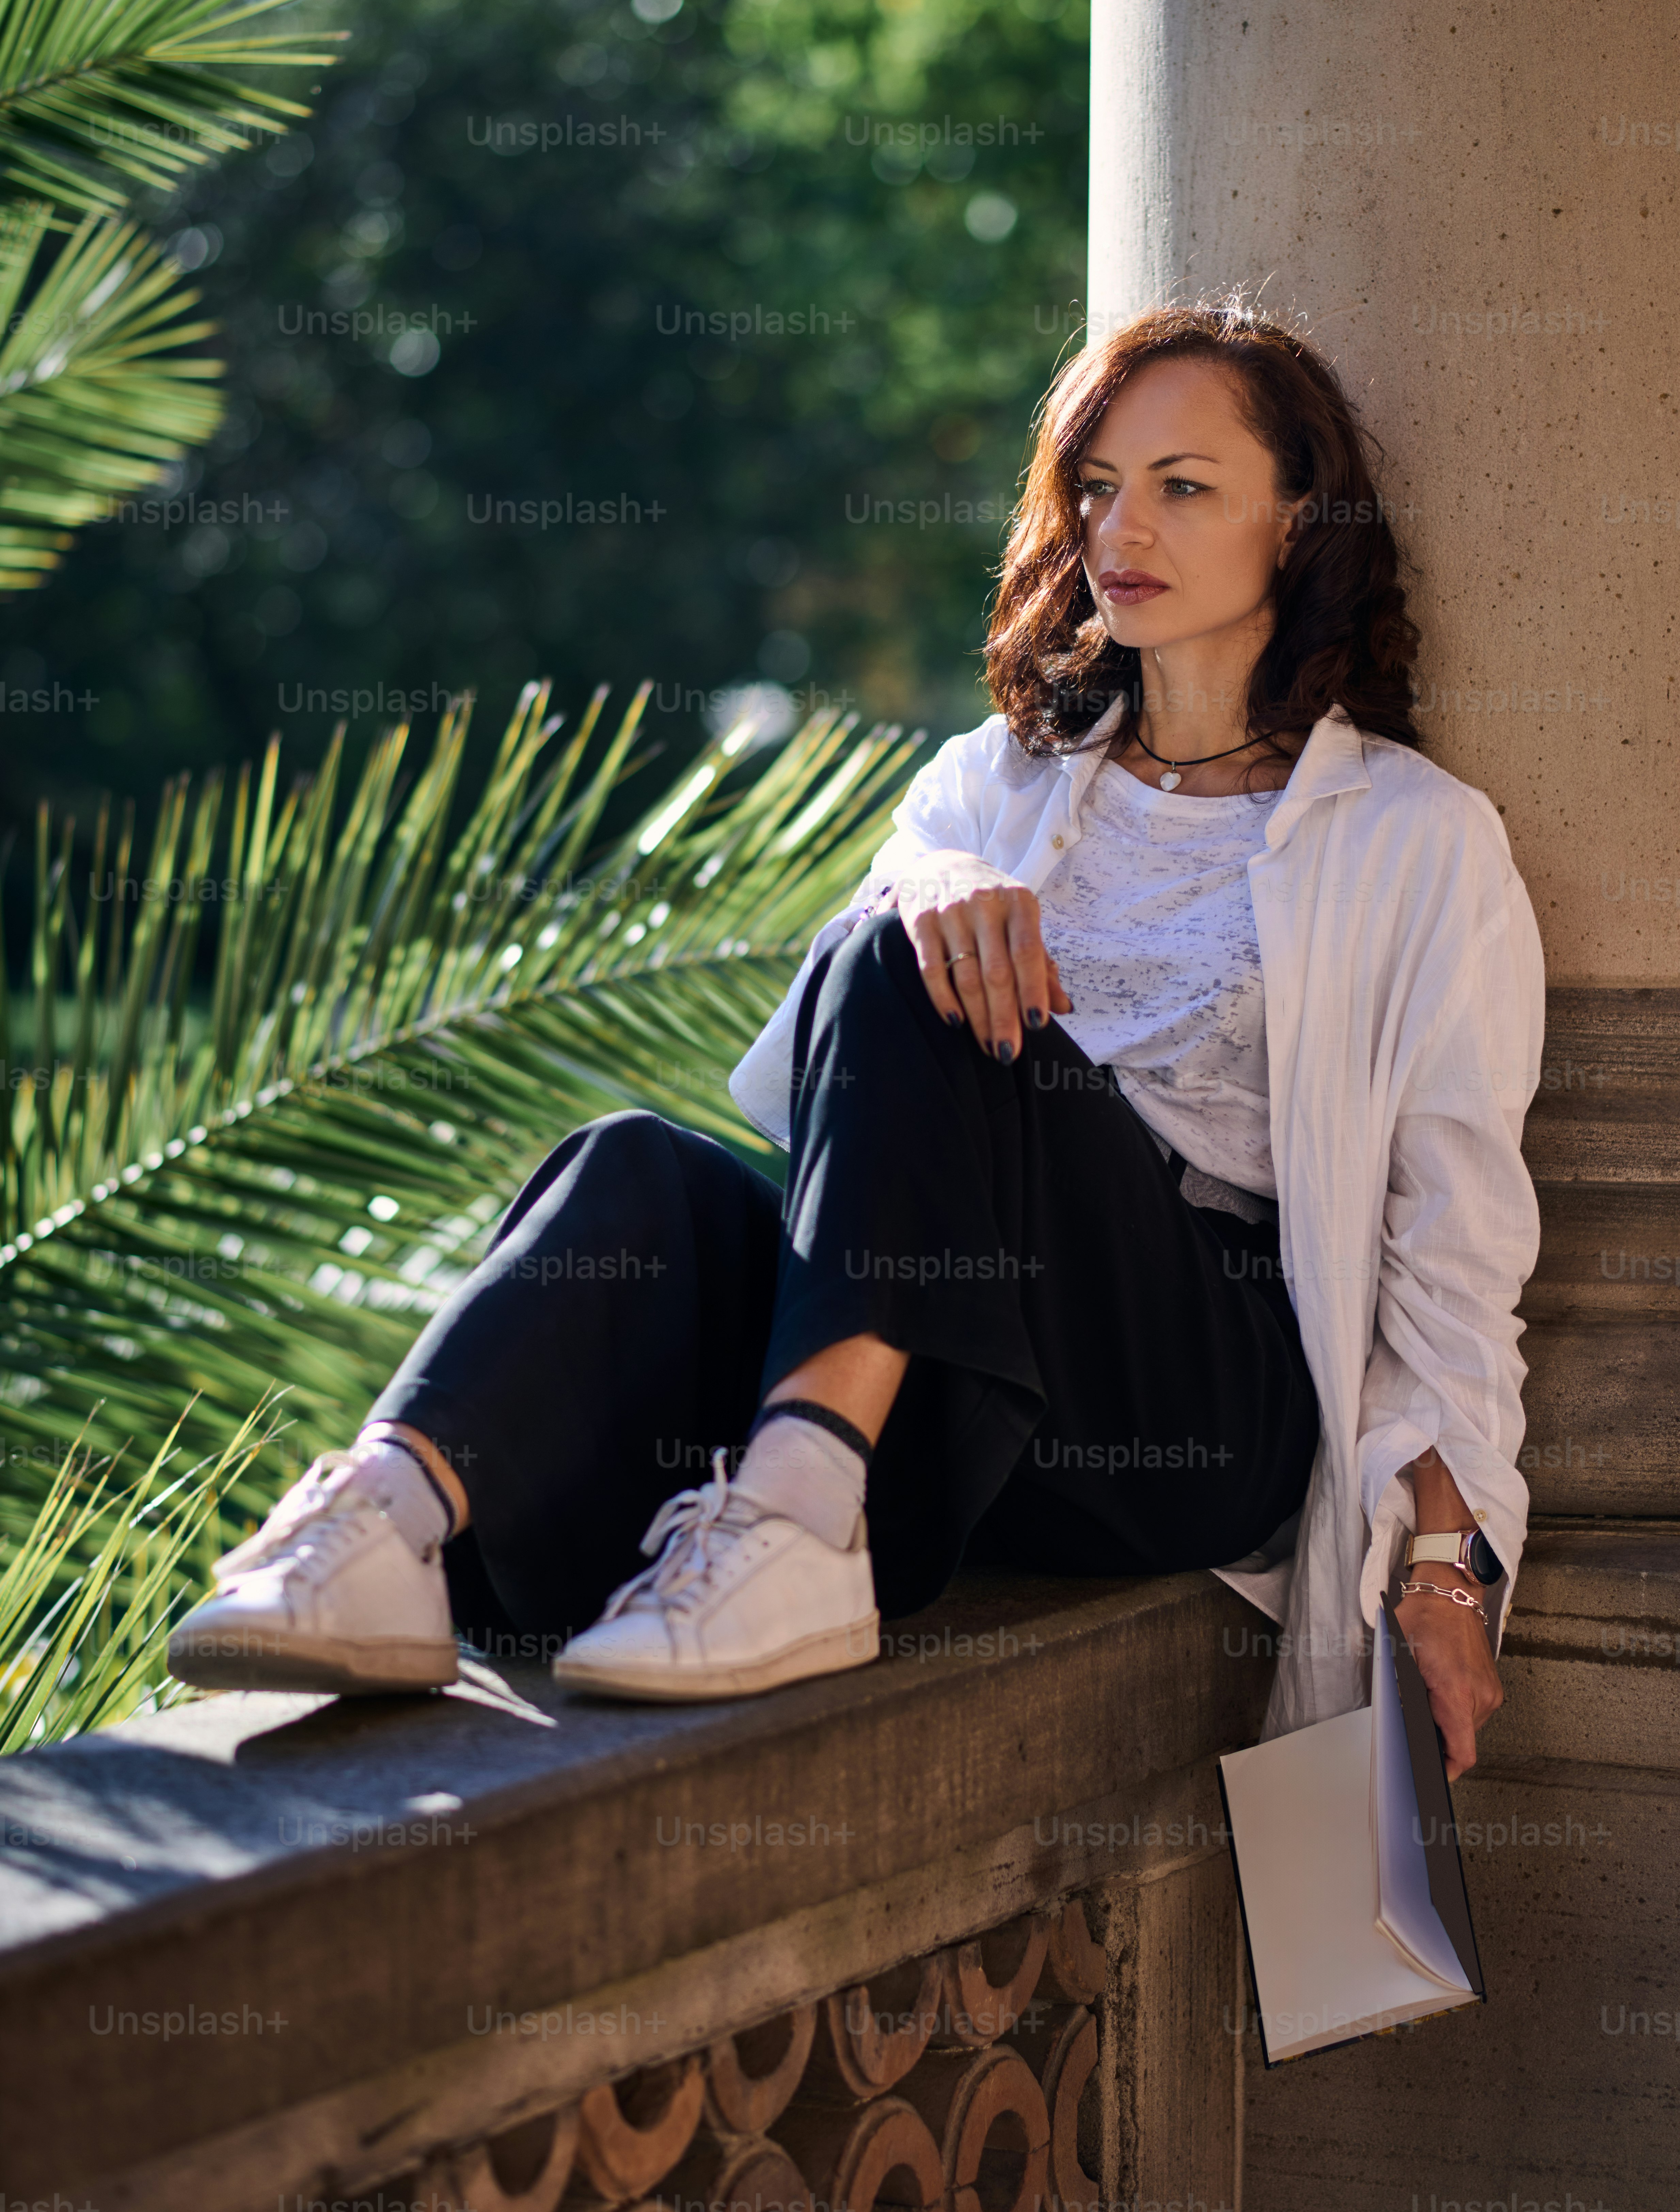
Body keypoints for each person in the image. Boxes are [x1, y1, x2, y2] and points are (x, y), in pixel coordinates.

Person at [169, 301, 1543, 1773]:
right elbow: (814, 1100)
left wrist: (1446, 1570)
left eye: (1182, 485)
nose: (1118, 524)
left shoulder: (1413, 838)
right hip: (960, 1391)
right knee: (632, 1171)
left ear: (1298, 518)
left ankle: (792, 1523)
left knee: (914, 946)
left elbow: (1450, 1229)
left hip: (1184, 1403)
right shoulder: (996, 781)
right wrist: (925, 883)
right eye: (1093, 483)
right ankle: (385, 1516)